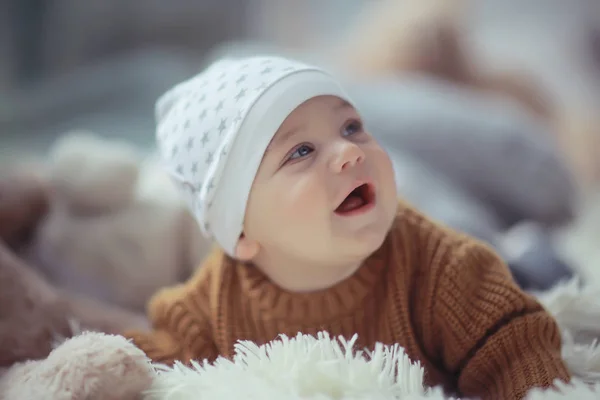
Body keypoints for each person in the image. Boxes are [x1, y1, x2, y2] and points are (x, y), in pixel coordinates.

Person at [124, 55, 570, 399]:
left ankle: (528, 251)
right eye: (300, 151)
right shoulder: (212, 306)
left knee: (536, 272)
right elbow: (158, 359)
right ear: (240, 234)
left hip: (486, 250)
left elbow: (513, 345)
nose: (349, 151)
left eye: (351, 126)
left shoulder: (446, 268)